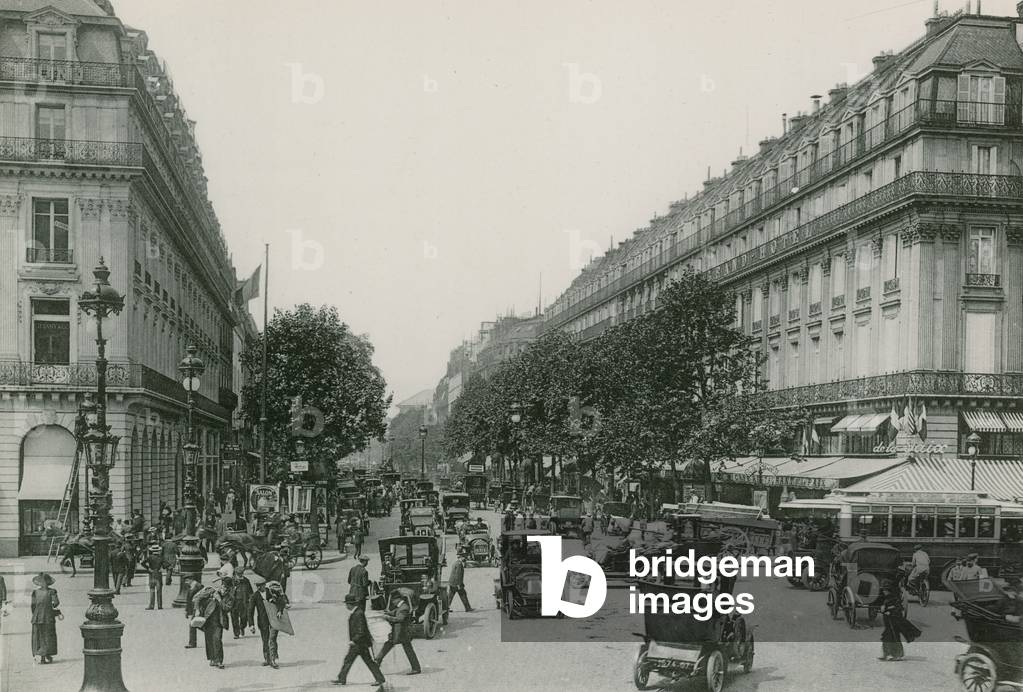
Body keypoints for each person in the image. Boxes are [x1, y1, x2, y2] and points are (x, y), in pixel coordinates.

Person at [335, 592, 385, 686]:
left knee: (353, 660)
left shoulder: (358, 613)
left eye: (347, 604)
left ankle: (341, 679)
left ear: (350, 604)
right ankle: (341, 679)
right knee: (357, 660)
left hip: (359, 643)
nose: (346, 606)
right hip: (360, 643)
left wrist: (354, 640)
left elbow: (361, 630)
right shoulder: (357, 612)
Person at [375, 588, 421, 675]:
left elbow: (400, 618)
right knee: (407, 649)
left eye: (393, 600)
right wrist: (387, 613)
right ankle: (416, 668)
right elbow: (395, 612)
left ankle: (377, 661)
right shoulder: (402, 606)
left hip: (401, 632)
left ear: (398, 599)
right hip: (401, 632)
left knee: (390, 645)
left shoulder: (404, 608)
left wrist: (388, 617)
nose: (393, 602)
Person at [251, 579, 291, 668]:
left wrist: (280, 610)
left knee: (272, 638)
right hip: (262, 621)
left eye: (260, 585)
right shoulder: (255, 596)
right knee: (265, 640)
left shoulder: (272, 592)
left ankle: (273, 660)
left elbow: (281, 601)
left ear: (264, 585)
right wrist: (251, 625)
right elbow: (250, 610)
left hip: (274, 620)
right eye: (257, 585)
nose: (258, 587)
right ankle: (267, 659)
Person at [878, 579, 920, 662]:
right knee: (886, 638)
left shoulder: (894, 598)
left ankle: (897, 655)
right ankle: (886, 654)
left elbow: (898, 609)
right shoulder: (887, 598)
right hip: (888, 624)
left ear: (889, 590)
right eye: (883, 590)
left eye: (885, 590)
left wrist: (889, 611)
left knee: (894, 638)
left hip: (893, 623)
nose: (884, 592)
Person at [193, 578, 231, 669]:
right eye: (223, 586)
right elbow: (198, 598)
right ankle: (212, 659)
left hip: (219, 621)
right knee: (209, 640)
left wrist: (219, 600)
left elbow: (227, 608)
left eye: (226, 588)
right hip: (208, 620)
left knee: (217, 639)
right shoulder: (212, 591)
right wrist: (197, 609)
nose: (224, 589)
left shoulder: (230, 597)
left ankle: (219, 660)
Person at [30, 573, 61, 664]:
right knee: (48, 635)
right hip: (48, 617)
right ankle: (47, 654)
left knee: (39, 636)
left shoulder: (35, 592)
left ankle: (42, 656)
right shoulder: (52, 591)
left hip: (37, 617)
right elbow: (56, 603)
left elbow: (33, 606)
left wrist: (36, 614)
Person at [229, 567, 254, 639]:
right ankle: (236, 633)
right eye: (238, 574)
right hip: (234, 601)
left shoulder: (246, 581)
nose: (240, 575)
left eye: (241, 574)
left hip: (244, 601)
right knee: (234, 617)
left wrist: (251, 600)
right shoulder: (231, 581)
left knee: (244, 617)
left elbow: (250, 592)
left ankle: (242, 627)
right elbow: (226, 590)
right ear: (235, 573)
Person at [183, 575, 203, 649]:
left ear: (191, 579)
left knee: (192, 625)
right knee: (194, 625)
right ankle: (192, 643)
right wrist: (187, 611)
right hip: (194, 608)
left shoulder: (198, 586)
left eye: (187, 580)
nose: (186, 582)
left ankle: (192, 643)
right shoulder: (191, 586)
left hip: (198, 608)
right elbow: (189, 600)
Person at [143, 544, 164, 610]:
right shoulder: (161, 557)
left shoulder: (150, 557)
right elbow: (167, 564)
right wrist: (162, 568)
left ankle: (151, 605)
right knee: (159, 590)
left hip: (151, 574)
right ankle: (159, 605)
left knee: (152, 589)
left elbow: (142, 563)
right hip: (158, 573)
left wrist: (148, 568)